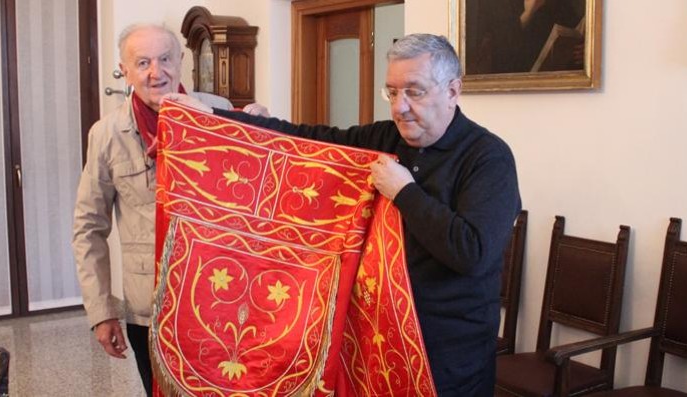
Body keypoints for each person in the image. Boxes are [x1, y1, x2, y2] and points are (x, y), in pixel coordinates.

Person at [167, 33, 521, 397]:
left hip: (449, 351)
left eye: (414, 91)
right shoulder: (386, 137)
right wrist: (215, 117)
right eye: (392, 92)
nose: (399, 107)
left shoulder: (488, 157)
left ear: (452, 91)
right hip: (378, 338)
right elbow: (310, 140)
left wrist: (404, 192)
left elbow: (473, 252)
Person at [71, 23, 232, 397]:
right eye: (142, 62)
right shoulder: (107, 134)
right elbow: (88, 228)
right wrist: (102, 311)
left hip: (221, 297)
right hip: (151, 307)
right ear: (125, 70)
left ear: (182, 62)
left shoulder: (219, 112)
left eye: (164, 59)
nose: (155, 72)